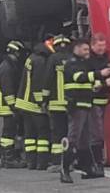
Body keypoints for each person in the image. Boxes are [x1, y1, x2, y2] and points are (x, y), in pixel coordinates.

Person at [64, 38, 110, 181]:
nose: (87, 52)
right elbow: (79, 77)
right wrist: (100, 75)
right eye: (85, 49)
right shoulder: (71, 63)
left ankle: (87, 169)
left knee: (84, 139)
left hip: (86, 103)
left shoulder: (84, 63)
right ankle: (64, 169)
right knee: (73, 137)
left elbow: (92, 81)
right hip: (77, 105)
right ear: (76, 49)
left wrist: (102, 82)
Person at [15, 37, 53, 170]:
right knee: (43, 133)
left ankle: (31, 162)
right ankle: (42, 163)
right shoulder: (41, 61)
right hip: (34, 104)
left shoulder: (32, 57)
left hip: (24, 103)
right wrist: (41, 101)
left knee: (29, 134)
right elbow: (39, 82)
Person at [87, 33, 110, 178]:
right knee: (96, 134)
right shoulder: (87, 60)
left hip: (103, 101)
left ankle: (95, 163)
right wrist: (103, 83)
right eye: (99, 46)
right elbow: (86, 81)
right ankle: (96, 164)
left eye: (103, 45)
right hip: (92, 101)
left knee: (99, 133)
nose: (102, 48)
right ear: (92, 45)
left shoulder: (105, 58)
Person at [0, 40, 28, 169]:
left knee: (9, 132)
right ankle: (8, 159)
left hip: (6, 105)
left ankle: (6, 159)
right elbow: (7, 89)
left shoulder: (7, 65)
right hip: (7, 106)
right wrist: (13, 106)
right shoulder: (7, 68)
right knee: (9, 132)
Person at [45, 34, 72, 181]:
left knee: (57, 133)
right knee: (69, 133)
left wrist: (44, 99)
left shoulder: (52, 59)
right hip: (70, 104)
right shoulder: (72, 59)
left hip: (56, 105)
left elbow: (48, 79)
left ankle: (57, 162)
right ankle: (70, 161)